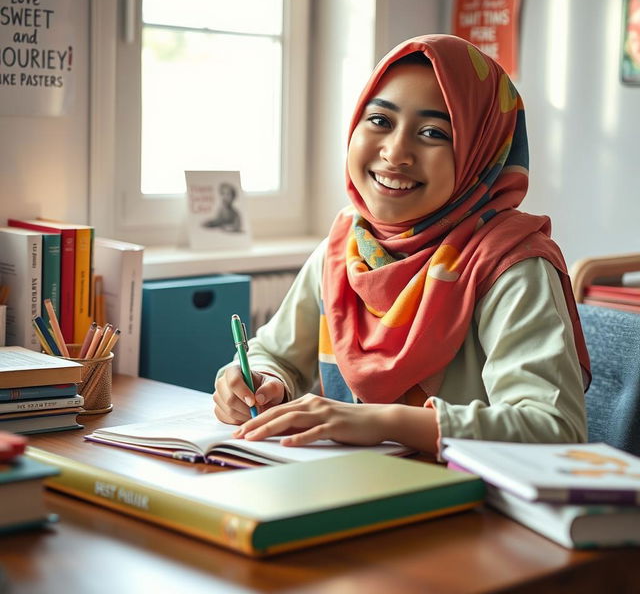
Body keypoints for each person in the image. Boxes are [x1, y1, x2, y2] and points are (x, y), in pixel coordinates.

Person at [213, 34, 590, 458]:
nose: (395, 153)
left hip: (472, 509)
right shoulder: (345, 250)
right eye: (380, 121)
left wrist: (382, 421)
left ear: (479, 152)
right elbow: (275, 353)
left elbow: (553, 427)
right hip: (351, 490)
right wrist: (259, 380)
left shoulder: (508, 264)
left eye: (432, 133)